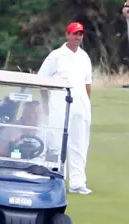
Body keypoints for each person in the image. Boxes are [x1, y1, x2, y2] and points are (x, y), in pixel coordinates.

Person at [37, 21, 94, 195]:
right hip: (59, 107)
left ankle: (77, 182)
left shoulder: (84, 57)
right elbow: (42, 82)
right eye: (75, 34)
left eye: (80, 34)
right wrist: (46, 105)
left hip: (81, 107)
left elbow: (87, 83)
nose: (78, 37)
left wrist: (86, 103)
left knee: (80, 144)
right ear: (67, 35)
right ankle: (56, 179)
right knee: (56, 144)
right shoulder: (56, 56)